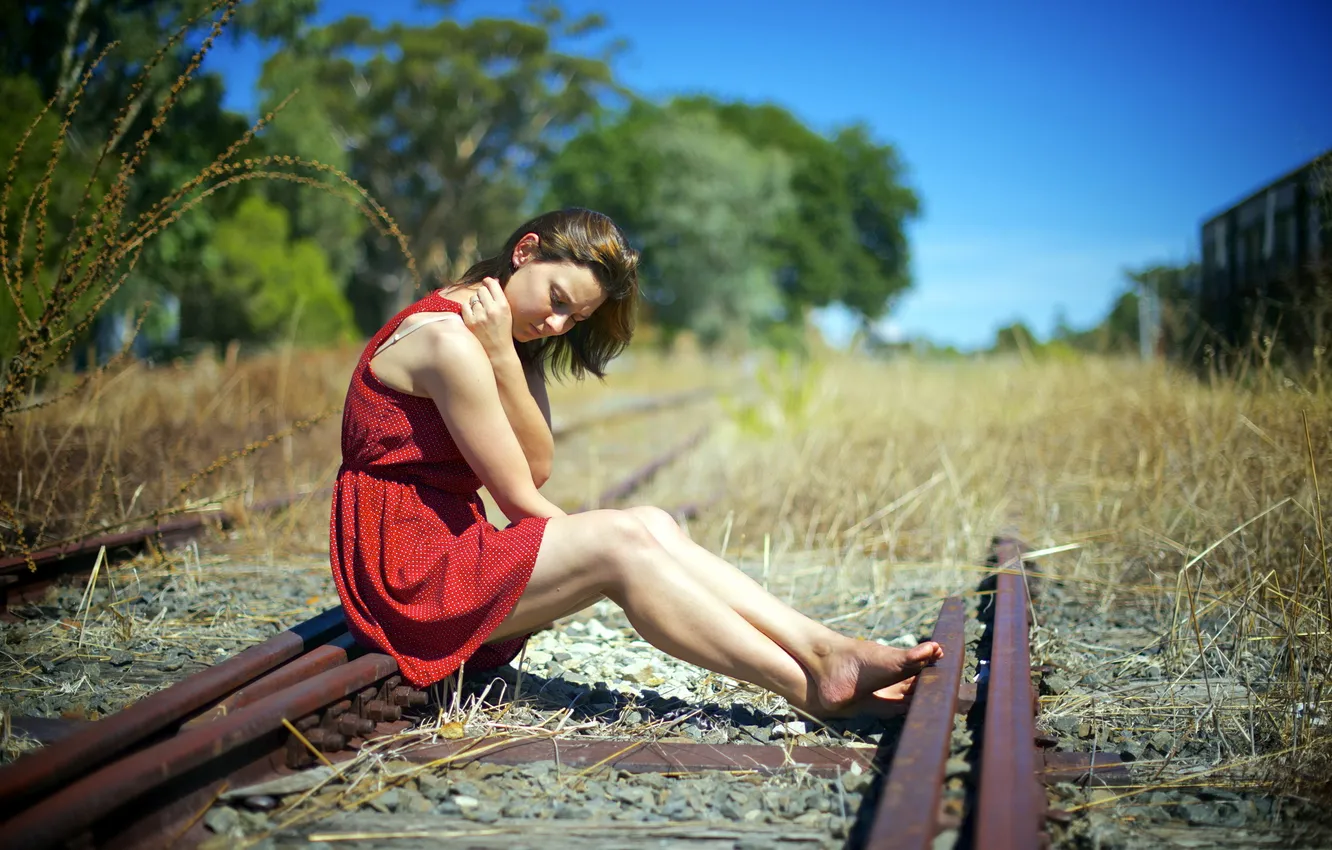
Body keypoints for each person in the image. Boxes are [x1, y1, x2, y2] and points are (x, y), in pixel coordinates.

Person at [330, 208, 942, 719]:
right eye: (557, 299)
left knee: (648, 522)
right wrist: (597, 539)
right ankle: (809, 689)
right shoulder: (448, 344)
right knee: (623, 540)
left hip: (444, 546)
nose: (556, 323)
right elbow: (520, 498)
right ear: (524, 251)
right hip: (407, 575)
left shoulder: (504, 339)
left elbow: (537, 463)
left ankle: (826, 650)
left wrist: (507, 356)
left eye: (576, 318)